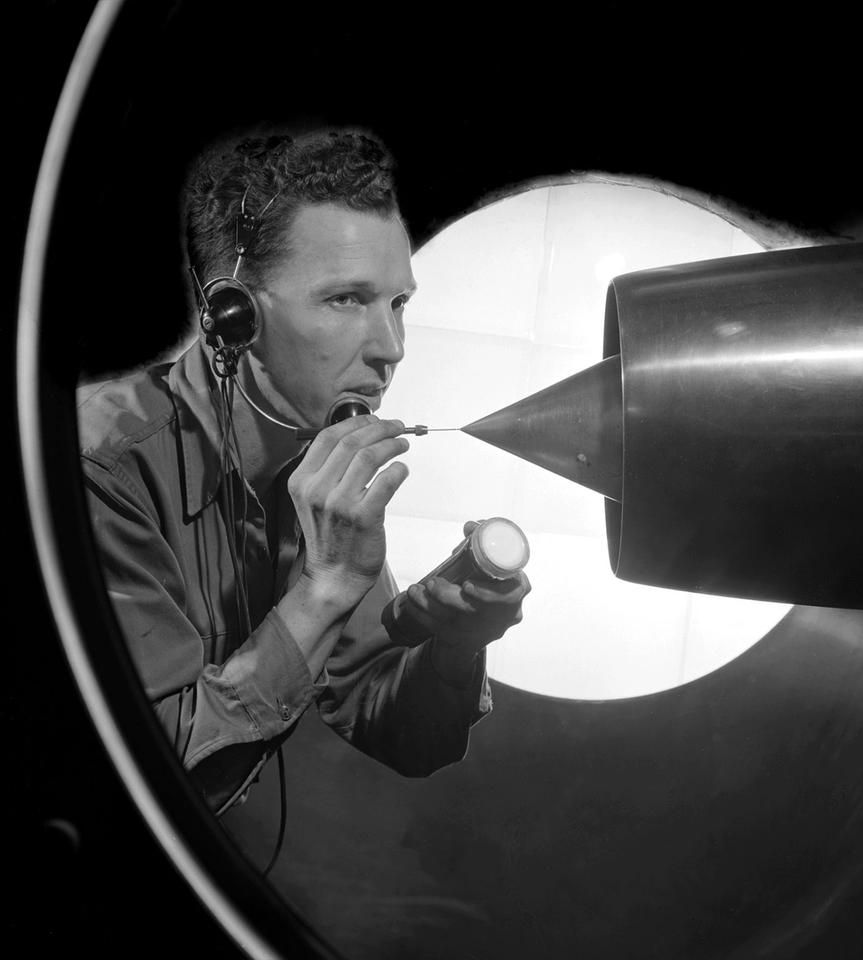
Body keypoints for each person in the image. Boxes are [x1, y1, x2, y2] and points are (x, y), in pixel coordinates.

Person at [76, 128, 529, 815]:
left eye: (397, 303)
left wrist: (452, 646)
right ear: (235, 316)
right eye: (346, 299)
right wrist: (325, 588)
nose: (392, 349)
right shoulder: (102, 469)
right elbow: (151, 785)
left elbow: (395, 727)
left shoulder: (316, 450)